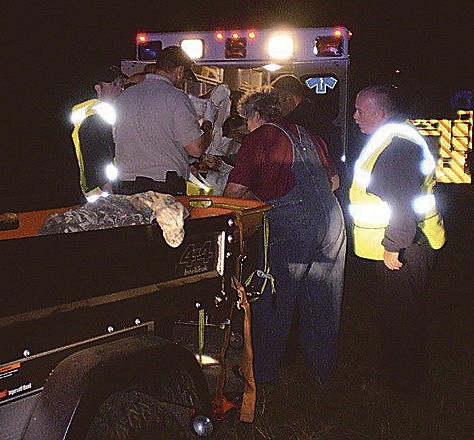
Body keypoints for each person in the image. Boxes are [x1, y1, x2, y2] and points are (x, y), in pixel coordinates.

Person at [223, 87, 346, 391]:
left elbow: (234, 192)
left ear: (255, 114)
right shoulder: (307, 134)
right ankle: (321, 377)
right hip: (332, 221)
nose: (245, 127)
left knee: (274, 299)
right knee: (323, 302)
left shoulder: (260, 137)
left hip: (294, 224)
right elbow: (334, 181)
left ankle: (260, 375)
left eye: (245, 120)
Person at [349, 85, 446, 395]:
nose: (354, 117)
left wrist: (393, 246)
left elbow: (402, 201)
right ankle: (405, 380)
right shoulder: (394, 139)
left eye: (361, 111)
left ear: (381, 113)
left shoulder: (396, 145)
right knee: (402, 315)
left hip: (404, 248)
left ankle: (404, 386)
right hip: (409, 244)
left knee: (401, 319)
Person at [113, 46, 216, 195]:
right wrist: (208, 122)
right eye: (184, 76)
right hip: (162, 189)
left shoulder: (124, 97)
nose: (183, 82)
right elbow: (196, 148)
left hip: (125, 187)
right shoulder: (176, 98)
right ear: (179, 71)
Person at [271, 74, 340, 191]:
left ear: (288, 97)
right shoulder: (316, 115)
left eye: (277, 101)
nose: (275, 107)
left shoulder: (297, 124)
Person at [70, 66, 125, 194]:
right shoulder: (95, 117)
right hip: (101, 191)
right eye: (113, 84)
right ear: (98, 89)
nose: (119, 89)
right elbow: (97, 154)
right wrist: (106, 185)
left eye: (121, 83)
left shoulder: (107, 112)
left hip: (103, 188)